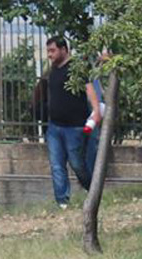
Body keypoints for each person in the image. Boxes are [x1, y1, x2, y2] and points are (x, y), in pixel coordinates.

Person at [43, 36, 101, 208]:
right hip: (54, 127)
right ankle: (62, 202)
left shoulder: (76, 68)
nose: (50, 55)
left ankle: (93, 192)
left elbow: (89, 89)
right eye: (48, 51)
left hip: (74, 127)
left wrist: (96, 111)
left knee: (77, 164)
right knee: (56, 165)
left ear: (63, 49)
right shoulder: (53, 70)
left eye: (52, 51)